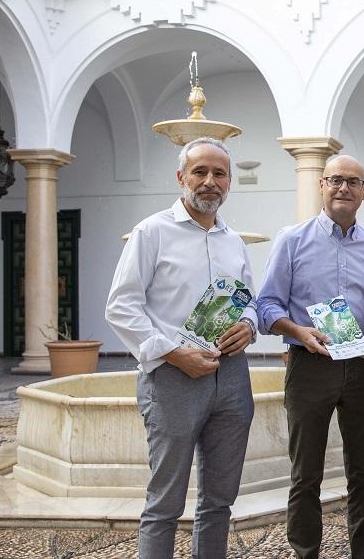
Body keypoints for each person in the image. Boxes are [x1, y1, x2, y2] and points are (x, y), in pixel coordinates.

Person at [105, 137, 258, 559]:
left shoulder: (233, 241)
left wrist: (249, 325)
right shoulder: (151, 232)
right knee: (164, 504)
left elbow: (250, 301)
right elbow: (121, 306)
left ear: (229, 182)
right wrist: (173, 353)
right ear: (181, 177)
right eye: (200, 172)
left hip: (231, 380)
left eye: (220, 174)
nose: (210, 182)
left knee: (220, 501)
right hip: (172, 378)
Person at [255, 155, 364, 559]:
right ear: (321, 185)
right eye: (335, 180)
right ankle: (305, 551)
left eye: (353, 182)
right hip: (309, 364)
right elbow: (267, 306)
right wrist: (297, 331)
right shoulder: (291, 240)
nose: (343, 188)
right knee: (305, 474)